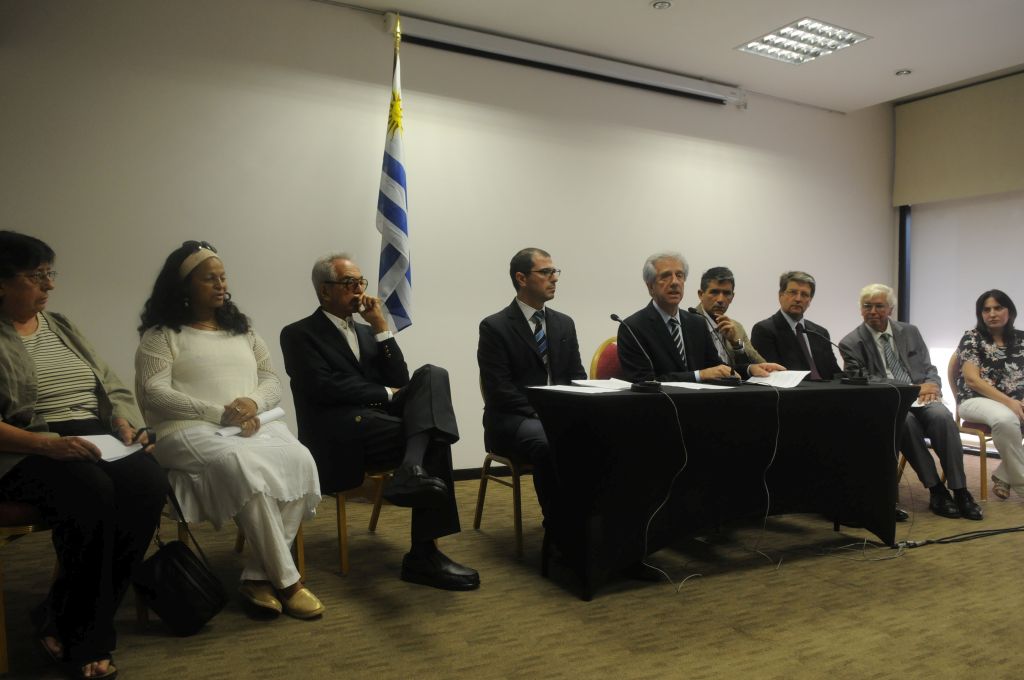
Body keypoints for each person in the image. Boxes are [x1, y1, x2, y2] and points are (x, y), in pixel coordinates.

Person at [0, 230, 167, 680]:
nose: (49, 285)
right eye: (38, 276)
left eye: (50, 274)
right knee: (91, 492)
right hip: (23, 446)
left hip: (92, 436)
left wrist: (125, 424)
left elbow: (110, 383)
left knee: (149, 484)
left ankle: (59, 612)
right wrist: (46, 445)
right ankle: (88, 640)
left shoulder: (60, 325)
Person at [135, 241, 324, 619]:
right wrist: (218, 413)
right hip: (185, 432)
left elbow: (271, 379)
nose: (221, 285)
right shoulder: (161, 335)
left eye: (223, 277)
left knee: (300, 459)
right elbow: (154, 393)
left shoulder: (243, 331)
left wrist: (252, 404)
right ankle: (288, 581)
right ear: (184, 285)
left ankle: (257, 577)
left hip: (251, 427)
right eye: (210, 279)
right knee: (242, 467)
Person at [280, 253, 479, 591]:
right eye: (349, 283)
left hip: (378, 425)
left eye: (361, 282)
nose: (359, 290)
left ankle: (409, 474)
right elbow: (325, 387)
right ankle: (423, 553)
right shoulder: (299, 334)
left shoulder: (368, 331)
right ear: (324, 291)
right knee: (432, 435)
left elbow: (402, 378)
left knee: (433, 374)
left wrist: (381, 329)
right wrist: (386, 393)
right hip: (338, 432)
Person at [838, 284, 982, 520]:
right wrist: (913, 389)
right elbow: (863, 382)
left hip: (924, 399)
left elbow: (929, 368)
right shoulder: (851, 343)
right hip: (890, 403)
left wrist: (933, 385)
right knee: (905, 424)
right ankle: (936, 490)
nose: (873, 311)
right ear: (860, 310)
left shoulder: (910, 332)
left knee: (942, 417)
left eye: (879, 306)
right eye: (867, 306)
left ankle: (960, 490)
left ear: (890, 309)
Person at [478, 248, 586, 520]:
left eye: (555, 271)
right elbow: (499, 390)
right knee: (549, 442)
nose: (554, 278)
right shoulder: (495, 327)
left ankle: (592, 517)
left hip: (556, 415)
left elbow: (576, 376)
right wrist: (544, 411)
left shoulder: (564, 324)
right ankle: (559, 526)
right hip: (512, 419)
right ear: (521, 278)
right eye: (546, 272)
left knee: (600, 434)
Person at [617, 252, 777, 382]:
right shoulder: (633, 327)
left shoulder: (696, 322)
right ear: (650, 286)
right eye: (665, 276)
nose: (674, 282)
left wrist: (750, 369)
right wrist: (698, 375)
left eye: (679, 276)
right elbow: (644, 382)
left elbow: (717, 367)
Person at [955, 289, 1024, 500]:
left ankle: (1004, 474)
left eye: (998, 308)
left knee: (1010, 417)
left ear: (1010, 311)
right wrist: (1010, 403)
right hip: (975, 400)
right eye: (986, 310)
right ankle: (1022, 484)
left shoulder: (1022, 339)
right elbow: (972, 380)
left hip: (1014, 403)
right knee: (1006, 419)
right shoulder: (972, 338)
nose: (992, 313)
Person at [751, 271, 842, 380]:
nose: (798, 299)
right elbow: (773, 375)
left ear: (810, 300)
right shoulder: (764, 330)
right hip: (793, 394)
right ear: (780, 295)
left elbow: (834, 372)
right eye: (793, 292)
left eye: (804, 294)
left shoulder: (820, 332)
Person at [687, 266, 782, 370]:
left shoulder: (736, 327)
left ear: (732, 297)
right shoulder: (687, 323)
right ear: (701, 295)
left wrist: (736, 344)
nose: (720, 299)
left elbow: (759, 364)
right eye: (714, 292)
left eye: (727, 293)